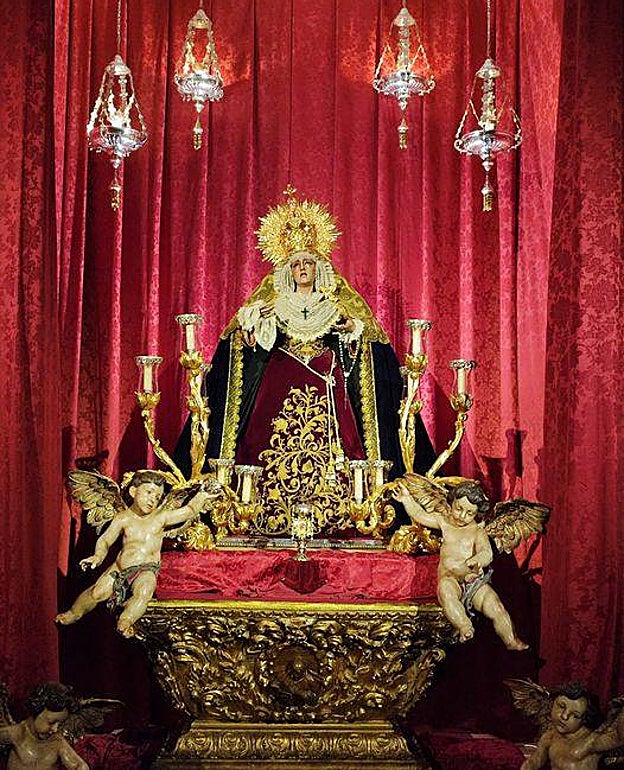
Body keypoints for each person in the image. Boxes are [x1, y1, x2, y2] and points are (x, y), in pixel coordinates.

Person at [175, 188, 435, 536]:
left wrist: (348, 330)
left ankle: (347, 506)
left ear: (318, 267)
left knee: (343, 433)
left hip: (326, 377)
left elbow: (361, 342)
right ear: (287, 270)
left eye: (307, 263)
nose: (301, 269)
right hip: (280, 375)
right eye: (295, 264)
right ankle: (252, 507)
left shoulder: (339, 303)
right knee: (260, 432)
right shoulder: (272, 300)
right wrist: (256, 325)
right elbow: (249, 338)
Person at [55, 471, 216, 636]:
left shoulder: (161, 518)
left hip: (146, 569)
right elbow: (105, 540)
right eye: (148, 492)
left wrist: (202, 495)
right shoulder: (123, 518)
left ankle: (126, 620)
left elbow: (188, 511)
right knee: (97, 591)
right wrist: (97, 556)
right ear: (133, 492)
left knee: (144, 590)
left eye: (158, 496)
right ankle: (74, 613)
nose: (153, 499)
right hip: (119, 567)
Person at [393, 478, 528, 649]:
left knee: (496, 606)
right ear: (451, 504)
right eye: (459, 509)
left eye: (469, 513)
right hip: (450, 578)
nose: (462, 516)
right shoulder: (444, 522)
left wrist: (477, 559)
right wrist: (407, 499)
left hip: (475, 581)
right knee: (446, 593)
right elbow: (420, 515)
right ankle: (464, 626)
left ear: (477, 513)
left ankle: (511, 640)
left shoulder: (478, 531)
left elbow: (487, 553)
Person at [519, 683, 624, 770]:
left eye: (575, 715)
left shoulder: (592, 741)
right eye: (561, 706)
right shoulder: (549, 737)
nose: (564, 716)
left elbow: (618, 737)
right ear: (551, 703)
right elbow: (534, 762)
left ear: (584, 719)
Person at [0, 682, 88, 770]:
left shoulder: (57, 742)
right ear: (36, 711)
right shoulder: (17, 734)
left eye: (60, 723)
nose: (55, 729)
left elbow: (80, 766)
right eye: (51, 722)